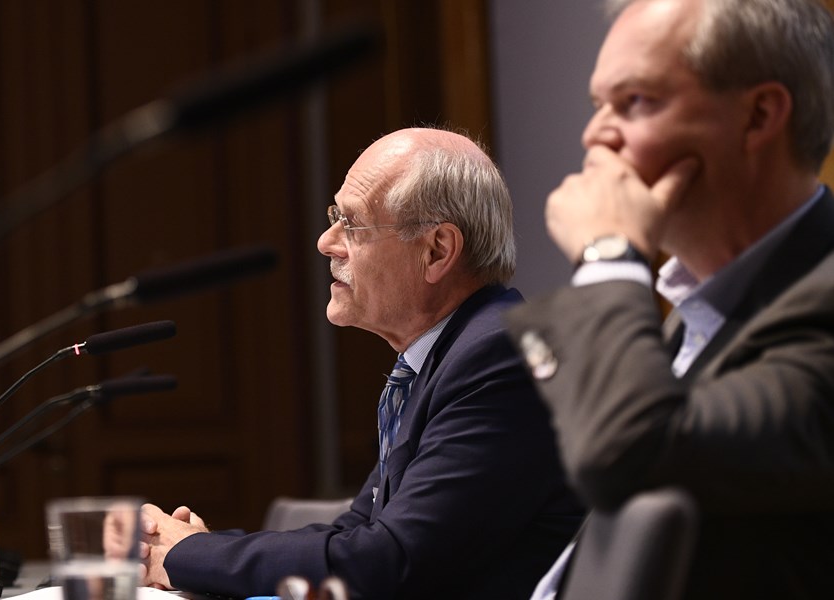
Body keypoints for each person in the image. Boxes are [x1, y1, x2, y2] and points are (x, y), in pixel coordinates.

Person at [135, 127, 584, 599]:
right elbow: (358, 532)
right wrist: (195, 550)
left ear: (437, 250)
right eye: (335, 216)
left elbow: (385, 563)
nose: (326, 242)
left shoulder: (498, 357)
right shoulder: (444, 355)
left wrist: (185, 555)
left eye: (352, 223)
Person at [504, 0, 834, 597]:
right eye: (597, 105)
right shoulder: (697, 313)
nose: (594, 134)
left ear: (758, 117)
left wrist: (608, 255)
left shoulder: (820, 300)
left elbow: (631, 454)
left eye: (635, 102)